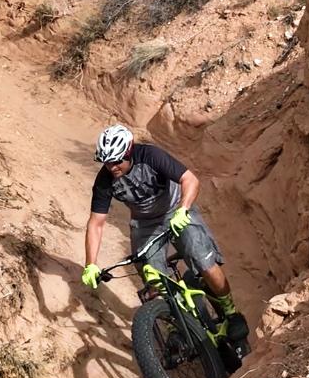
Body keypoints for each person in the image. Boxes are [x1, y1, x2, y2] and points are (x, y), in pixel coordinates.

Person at [79, 124, 250, 359]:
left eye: (117, 161)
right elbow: (96, 224)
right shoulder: (105, 181)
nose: (113, 167)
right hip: (144, 225)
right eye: (107, 163)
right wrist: (90, 264)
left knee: (202, 259)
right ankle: (175, 324)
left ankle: (231, 312)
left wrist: (183, 209)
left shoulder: (150, 156)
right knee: (153, 279)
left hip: (175, 211)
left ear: (129, 152)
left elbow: (190, 180)